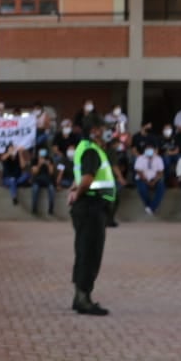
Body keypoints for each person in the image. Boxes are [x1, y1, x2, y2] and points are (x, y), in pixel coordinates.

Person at [68, 118, 116, 315]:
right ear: (95, 131)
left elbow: (80, 177)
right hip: (91, 207)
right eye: (103, 129)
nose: (106, 133)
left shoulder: (85, 148)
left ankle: (79, 296)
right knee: (90, 253)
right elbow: (87, 179)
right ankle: (83, 299)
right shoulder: (91, 151)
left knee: (84, 251)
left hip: (89, 206)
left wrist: (74, 191)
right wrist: (78, 193)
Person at [133, 143, 166, 216]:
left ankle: (151, 208)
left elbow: (160, 172)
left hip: (155, 178)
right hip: (142, 178)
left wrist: (154, 181)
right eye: (147, 149)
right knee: (142, 189)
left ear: (154, 150)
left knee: (161, 188)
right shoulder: (140, 158)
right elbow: (138, 171)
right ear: (145, 150)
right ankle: (149, 206)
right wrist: (146, 181)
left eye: (151, 149)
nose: (149, 150)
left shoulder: (158, 158)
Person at [30, 146, 56, 216]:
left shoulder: (49, 159)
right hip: (37, 180)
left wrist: (48, 165)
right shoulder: (34, 160)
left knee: (51, 189)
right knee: (35, 189)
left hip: (47, 180)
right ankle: (34, 208)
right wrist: (39, 164)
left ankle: (51, 208)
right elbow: (34, 172)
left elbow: (51, 172)